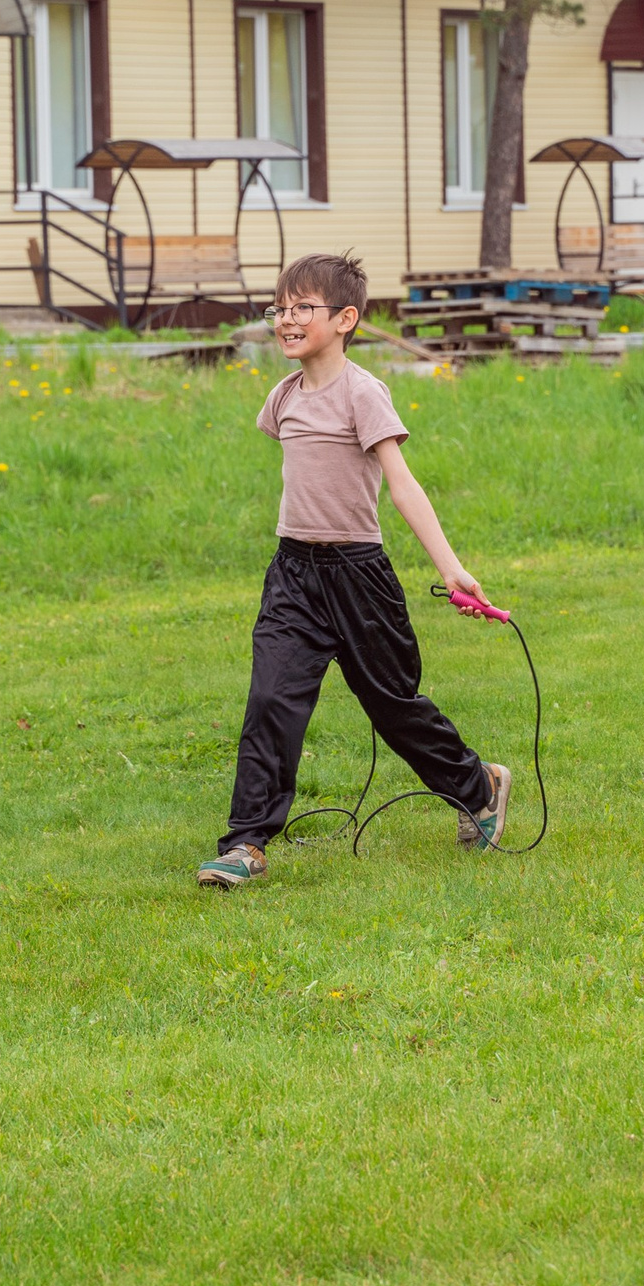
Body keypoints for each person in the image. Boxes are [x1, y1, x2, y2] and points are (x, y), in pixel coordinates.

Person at [196, 252, 508, 889]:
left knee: (394, 708)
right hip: (293, 574)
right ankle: (245, 843)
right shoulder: (282, 397)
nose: (286, 319)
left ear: (345, 319)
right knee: (271, 701)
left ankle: (479, 786)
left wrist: (451, 569)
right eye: (280, 309)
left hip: (358, 577)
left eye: (302, 308)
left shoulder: (363, 392)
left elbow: (402, 484)